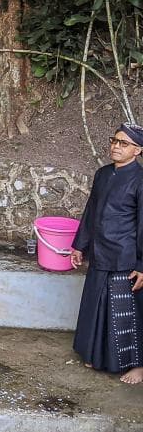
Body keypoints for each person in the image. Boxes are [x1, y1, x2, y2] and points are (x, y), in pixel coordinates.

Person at [71, 123, 143, 385]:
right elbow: (91, 211)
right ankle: (97, 357)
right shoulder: (102, 174)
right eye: (114, 140)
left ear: (138, 150)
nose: (116, 146)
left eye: (124, 143)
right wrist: (79, 245)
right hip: (100, 253)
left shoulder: (140, 180)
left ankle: (139, 366)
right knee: (97, 307)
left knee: (127, 314)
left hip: (125, 258)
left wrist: (142, 264)